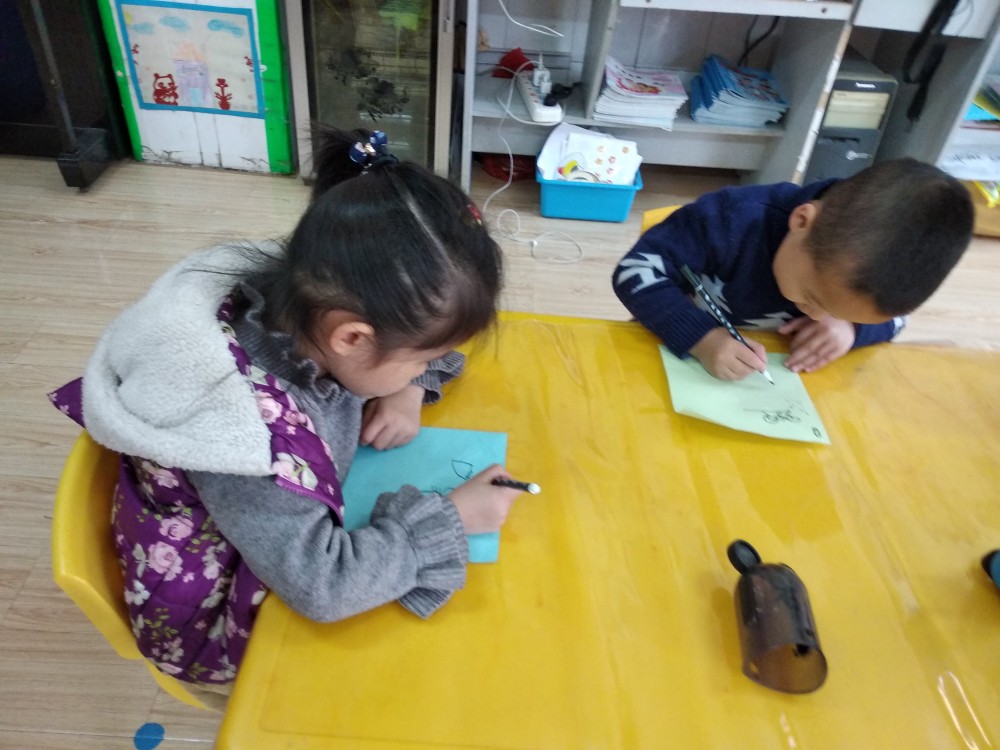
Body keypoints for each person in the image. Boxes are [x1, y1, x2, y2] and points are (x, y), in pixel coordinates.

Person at [48, 127, 524, 688]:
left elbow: (410, 342)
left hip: (274, 527)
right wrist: (453, 520)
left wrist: (407, 387)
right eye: (423, 359)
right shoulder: (247, 443)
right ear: (352, 338)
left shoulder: (307, 293)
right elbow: (324, 586)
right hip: (221, 605)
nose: (432, 365)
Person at [612, 158, 974, 380]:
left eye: (838, 311)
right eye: (813, 298)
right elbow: (633, 271)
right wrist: (702, 339)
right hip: (670, 350)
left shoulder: (880, 276)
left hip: (770, 376)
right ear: (801, 221)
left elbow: (895, 320)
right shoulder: (729, 220)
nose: (816, 316)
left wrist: (851, 329)